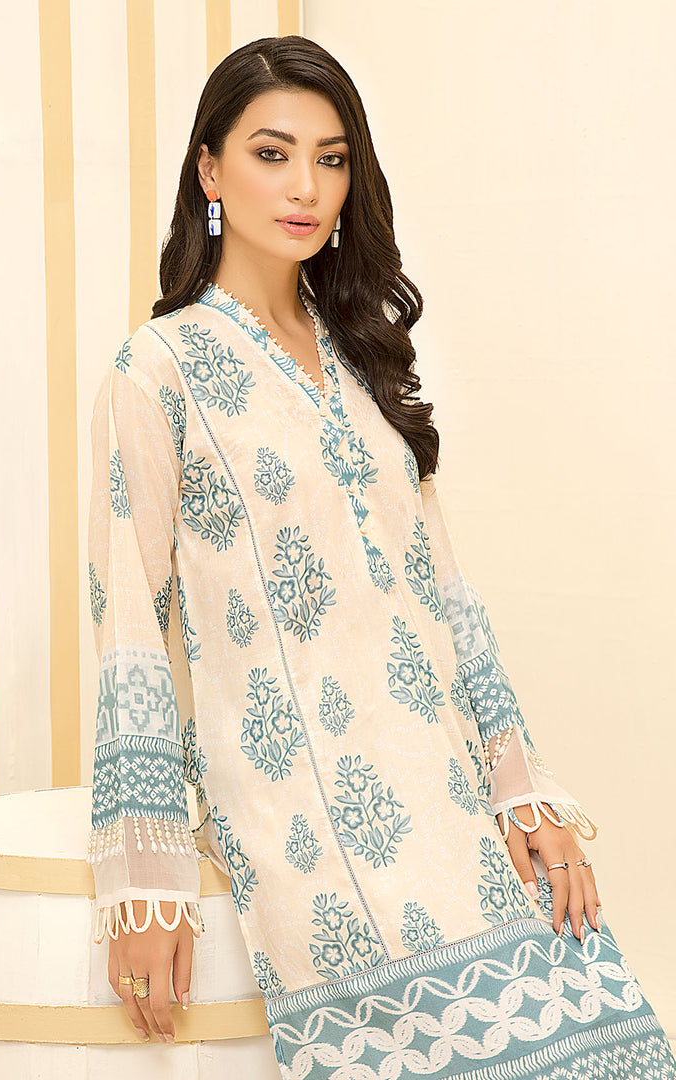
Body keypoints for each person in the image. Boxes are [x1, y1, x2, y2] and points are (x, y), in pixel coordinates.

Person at [86, 33, 676, 1078]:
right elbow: (129, 617)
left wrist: (521, 790)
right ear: (210, 170)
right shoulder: (159, 368)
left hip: (447, 786)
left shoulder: (361, 353)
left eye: (332, 158)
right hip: (303, 812)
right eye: (272, 154)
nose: (306, 187)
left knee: (605, 1046)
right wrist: (146, 880)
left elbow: (444, 593)